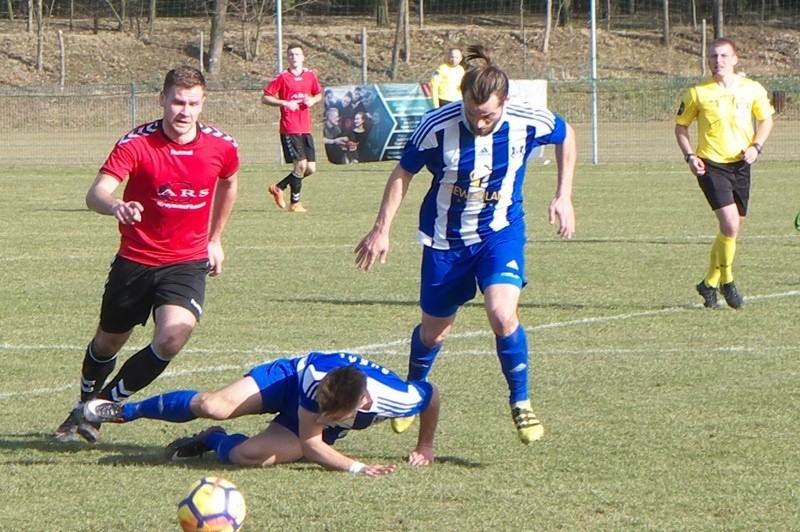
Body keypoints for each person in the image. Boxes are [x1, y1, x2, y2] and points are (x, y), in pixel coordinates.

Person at [354, 45, 576, 445]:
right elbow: (403, 172)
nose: (479, 122)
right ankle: (412, 393)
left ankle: (521, 402)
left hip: (500, 233)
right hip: (445, 241)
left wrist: (563, 194)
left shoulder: (527, 120)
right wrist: (381, 228)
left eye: (487, 114)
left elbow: (567, 134)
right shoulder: (437, 126)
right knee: (434, 333)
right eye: (471, 113)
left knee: (502, 314)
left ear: (504, 103)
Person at [52, 66, 240, 443]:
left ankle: (100, 406)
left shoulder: (222, 146)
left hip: (185, 262)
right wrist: (115, 206)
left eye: (192, 103)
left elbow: (229, 184)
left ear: (203, 104)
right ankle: (85, 401)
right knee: (108, 342)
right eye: (177, 101)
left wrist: (215, 239)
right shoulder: (136, 144)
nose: (184, 111)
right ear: (162, 100)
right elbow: (96, 193)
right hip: (135, 260)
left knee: (173, 336)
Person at [82, 352, 440, 476]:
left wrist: (425, 445)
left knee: (246, 456)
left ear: (363, 405)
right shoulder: (319, 380)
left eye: (333, 415)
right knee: (214, 405)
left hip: (314, 412)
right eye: (322, 409)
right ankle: (125, 411)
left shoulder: (400, 398)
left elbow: (433, 394)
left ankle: (213, 440)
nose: (322, 415)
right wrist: (358, 467)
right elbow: (312, 445)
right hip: (288, 380)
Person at [675, 37, 774, 309]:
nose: (717, 61)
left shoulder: (751, 89)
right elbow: (681, 126)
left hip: (741, 164)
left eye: (722, 56)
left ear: (735, 59)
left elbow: (766, 120)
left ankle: (708, 283)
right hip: (711, 165)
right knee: (730, 224)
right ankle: (727, 281)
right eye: (712, 57)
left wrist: (756, 147)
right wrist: (690, 156)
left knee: (733, 229)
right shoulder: (698, 93)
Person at [262, 44, 323, 213]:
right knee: (301, 165)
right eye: (290, 55)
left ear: (303, 57)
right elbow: (265, 97)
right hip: (290, 127)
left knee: (310, 168)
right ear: (287, 58)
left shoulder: (310, 76)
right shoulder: (283, 77)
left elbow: (318, 94)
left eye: (297, 54)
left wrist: (313, 100)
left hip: (306, 128)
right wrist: (285, 102)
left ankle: (279, 187)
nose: (294, 57)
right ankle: (295, 203)